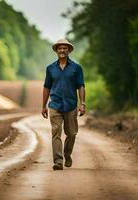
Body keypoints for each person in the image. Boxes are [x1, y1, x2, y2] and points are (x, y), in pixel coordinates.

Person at [42, 38, 85, 170]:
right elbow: (46, 87)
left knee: (71, 133)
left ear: (68, 50)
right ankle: (58, 161)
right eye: (60, 48)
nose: (62, 50)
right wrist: (43, 105)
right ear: (56, 50)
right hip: (55, 105)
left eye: (65, 48)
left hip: (71, 105)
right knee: (56, 132)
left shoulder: (76, 68)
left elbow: (81, 86)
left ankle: (67, 154)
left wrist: (82, 103)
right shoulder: (50, 69)